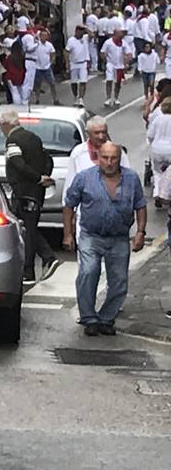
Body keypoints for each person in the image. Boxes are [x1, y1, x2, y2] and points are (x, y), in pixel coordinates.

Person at [62, 142, 146, 337]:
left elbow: (140, 205)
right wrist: (68, 234)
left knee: (119, 281)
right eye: (105, 158)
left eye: (113, 158)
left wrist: (140, 232)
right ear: (98, 158)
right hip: (91, 235)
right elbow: (69, 205)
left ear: (119, 158)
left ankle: (107, 318)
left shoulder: (132, 178)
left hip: (119, 237)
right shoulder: (84, 178)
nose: (109, 162)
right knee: (88, 272)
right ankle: (89, 318)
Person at [0, 108, 57, 282]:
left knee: (28, 230)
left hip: (24, 191)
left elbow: (18, 164)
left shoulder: (13, 140)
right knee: (28, 228)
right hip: (36, 193)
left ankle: (34, 267)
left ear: (5, 125)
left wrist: (38, 178)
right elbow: (48, 159)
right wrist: (44, 176)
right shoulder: (34, 138)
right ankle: (44, 259)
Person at [101, 29, 130, 108]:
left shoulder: (123, 43)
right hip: (110, 64)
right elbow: (103, 52)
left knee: (117, 83)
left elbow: (129, 53)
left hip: (119, 66)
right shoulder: (108, 42)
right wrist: (105, 60)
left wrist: (127, 62)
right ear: (116, 33)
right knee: (109, 80)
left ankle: (116, 98)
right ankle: (108, 98)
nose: (122, 35)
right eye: (121, 33)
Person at [66, 24, 92, 107]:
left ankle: (81, 99)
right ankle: (75, 97)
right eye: (80, 31)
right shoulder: (71, 40)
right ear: (76, 31)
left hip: (83, 63)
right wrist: (67, 63)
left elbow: (92, 35)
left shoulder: (85, 38)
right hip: (74, 63)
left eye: (82, 31)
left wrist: (86, 29)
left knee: (83, 81)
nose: (81, 33)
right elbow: (67, 51)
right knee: (73, 82)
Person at [32, 27, 59, 104]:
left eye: (45, 35)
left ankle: (55, 99)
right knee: (37, 85)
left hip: (47, 67)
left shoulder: (49, 45)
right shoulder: (36, 44)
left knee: (52, 83)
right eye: (43, 35)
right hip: (38, 67)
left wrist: (52, 61)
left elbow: (53, 53)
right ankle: (37, 99)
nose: (44, 37)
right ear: (40, 36)